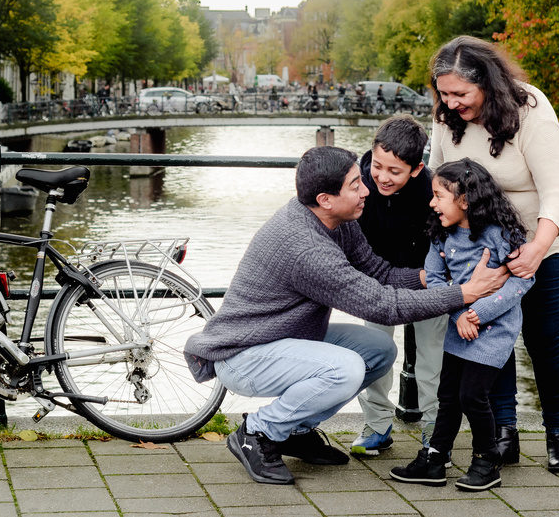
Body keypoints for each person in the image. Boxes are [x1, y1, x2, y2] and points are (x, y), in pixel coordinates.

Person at [183, 145, 509, 486]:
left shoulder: (336, 221)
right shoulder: (307, 249)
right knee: (346, 369)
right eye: (356, 184)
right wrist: (464, 293)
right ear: (325, 198)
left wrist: (429, 278)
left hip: (284, 336)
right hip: (244, 354)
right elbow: (383, 306)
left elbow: (378, 272)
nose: (367, 189)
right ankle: (258, 432)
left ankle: (294, 430)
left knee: (378, 350)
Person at [427, 35, 559, 474]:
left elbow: (557, 188)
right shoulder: (446, 116)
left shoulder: (529, 108)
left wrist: (536, 248)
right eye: (444, 94)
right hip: (481, 246)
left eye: (460, 94)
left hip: (545, 237)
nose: (451, 103)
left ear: (489, 83)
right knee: (490, 330)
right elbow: (438, 179)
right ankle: (504, 432)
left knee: (543, 335)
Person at [390, 159, 534, 491]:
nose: (432, 203)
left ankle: (487, 461)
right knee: (448, 395)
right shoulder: (441, 235)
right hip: (460, 327)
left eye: (439, 195)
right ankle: (435, 459)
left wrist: (478, 314)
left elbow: (522, 281)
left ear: (465, 199)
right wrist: (459, 317)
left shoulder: (501, 234)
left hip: (494, 329)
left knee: (472, 396)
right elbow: (437, 283)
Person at [350, 116, 446, 457]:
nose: (382, 177)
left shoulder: (433, 191)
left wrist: (431, 276)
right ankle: (377, 426)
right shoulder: (359, 185)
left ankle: (435, 432)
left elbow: (446, 241)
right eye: (378, 166)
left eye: (394, 171)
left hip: (425, 281)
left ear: (416, 169)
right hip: (377, 282)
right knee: (375, 353)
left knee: (431, 360)